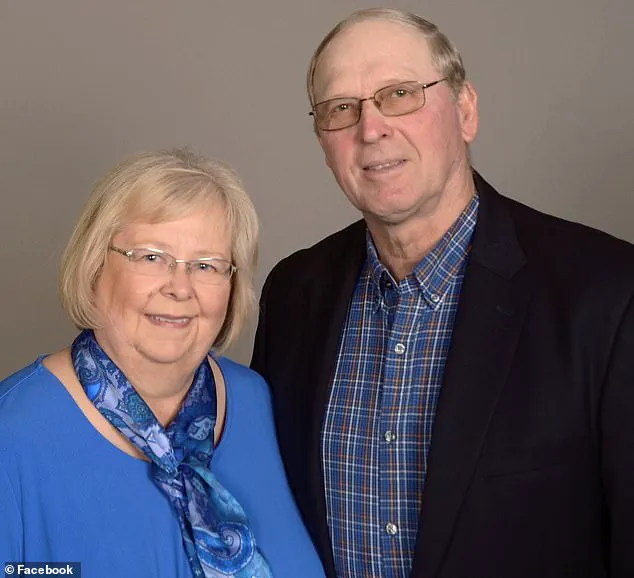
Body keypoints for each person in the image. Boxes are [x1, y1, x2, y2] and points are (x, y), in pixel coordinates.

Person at [251, 7, 634, 578]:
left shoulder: (608, 295)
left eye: (400, 94)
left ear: (465, 110)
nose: (371, 128)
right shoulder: (293, 294)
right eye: (341, 108)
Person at [0, 149, 325, 578]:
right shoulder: (14, 433)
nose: (180, 288)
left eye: (206, 265)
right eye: (151, 257)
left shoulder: (253, 400)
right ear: (95, 264)